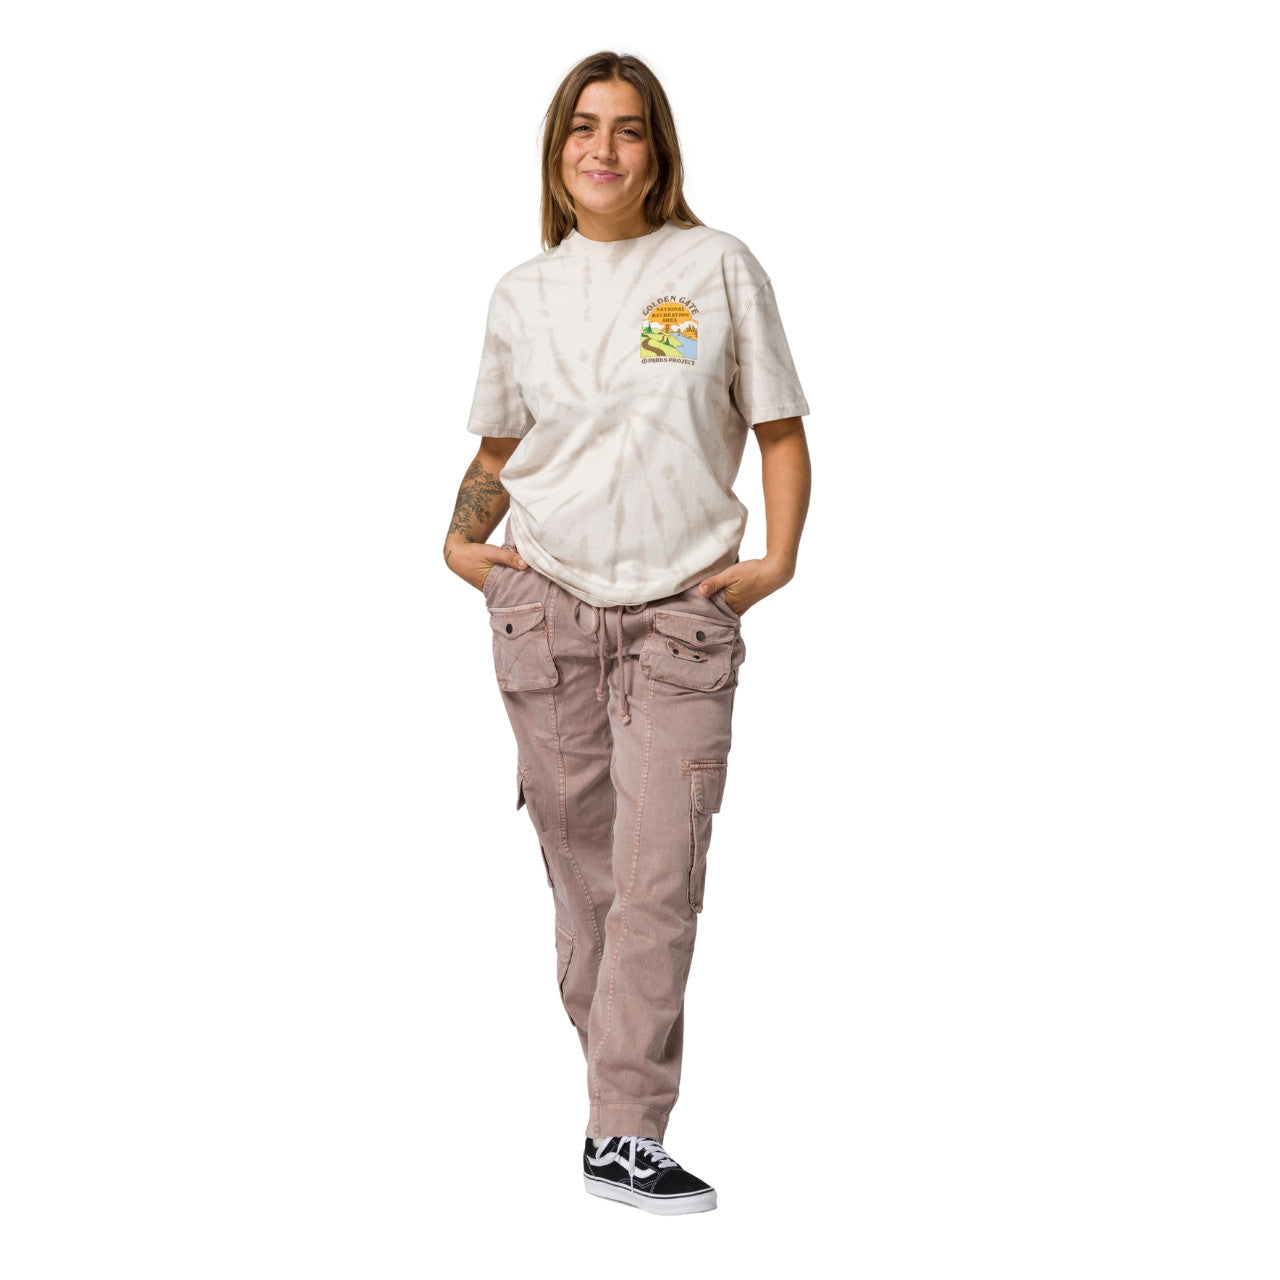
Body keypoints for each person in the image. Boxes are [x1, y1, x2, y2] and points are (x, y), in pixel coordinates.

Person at [444, 50, 810, 1215]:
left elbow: (777, 427)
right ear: (557, 150)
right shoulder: (522, 293)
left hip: (678, 618)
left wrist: (775, 560)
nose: (602, 149)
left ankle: (621, 1130)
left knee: (657, 872)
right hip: (544, 609)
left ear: (658, 152)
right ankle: (616, 1092)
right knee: (584, 880)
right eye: (583, 127)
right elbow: (502, 448)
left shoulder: (713, 267)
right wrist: (458, 539)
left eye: (629, 128)